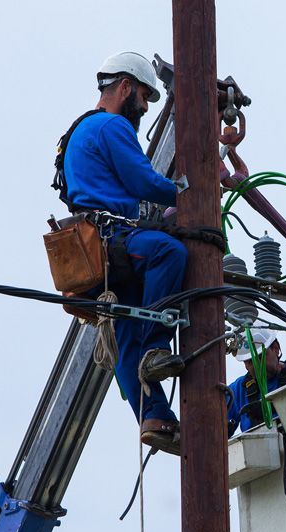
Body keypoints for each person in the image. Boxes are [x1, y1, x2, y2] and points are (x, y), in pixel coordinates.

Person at [63, 51, 186, 455]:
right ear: (126, 87)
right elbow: (142, 180)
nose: (145, 108)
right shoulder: (112, 125)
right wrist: (193, 190)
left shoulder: (79, 131)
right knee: (169, 253)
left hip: (96, 248)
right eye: (144, 98)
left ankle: (155, 416)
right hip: (112, 238)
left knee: (126, 337)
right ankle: (158, 347)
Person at [226, 328, 286, 437]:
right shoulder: (238, 390)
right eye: (250, 362)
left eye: (260, 357)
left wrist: (273, 406)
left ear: (275, 348)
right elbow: (216, 426)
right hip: (259, 451)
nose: (256, 367)